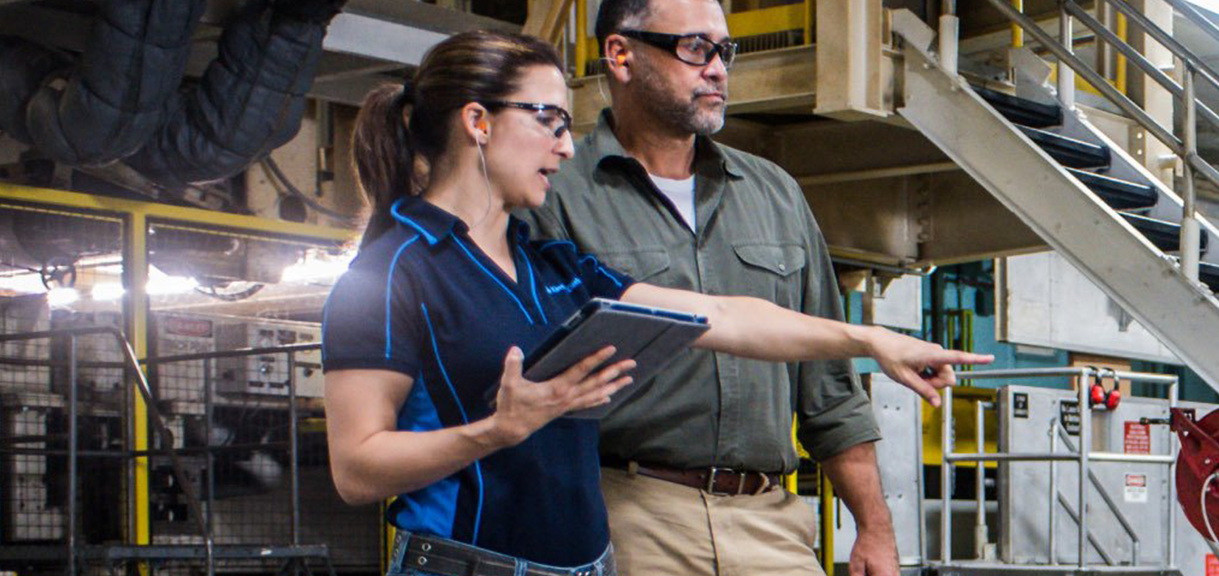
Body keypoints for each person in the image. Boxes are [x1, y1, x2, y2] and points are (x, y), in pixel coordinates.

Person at [320, 30, 990, 576]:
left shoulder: (552, 267)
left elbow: (721, 316)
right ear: (478, 123)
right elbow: (356, 470)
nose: (566, 146)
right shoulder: (389, 274)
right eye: (549, 121)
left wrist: (869, 340)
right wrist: (496, 431)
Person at [520, 0, 916, 573]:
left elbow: (829, 391)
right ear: (621, 55)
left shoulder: (773, 193)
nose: (717, 70)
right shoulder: (557, 193)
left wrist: (874, 528)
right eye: (694, 48)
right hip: (630, 515)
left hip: (770, 521)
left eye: (724, 51)